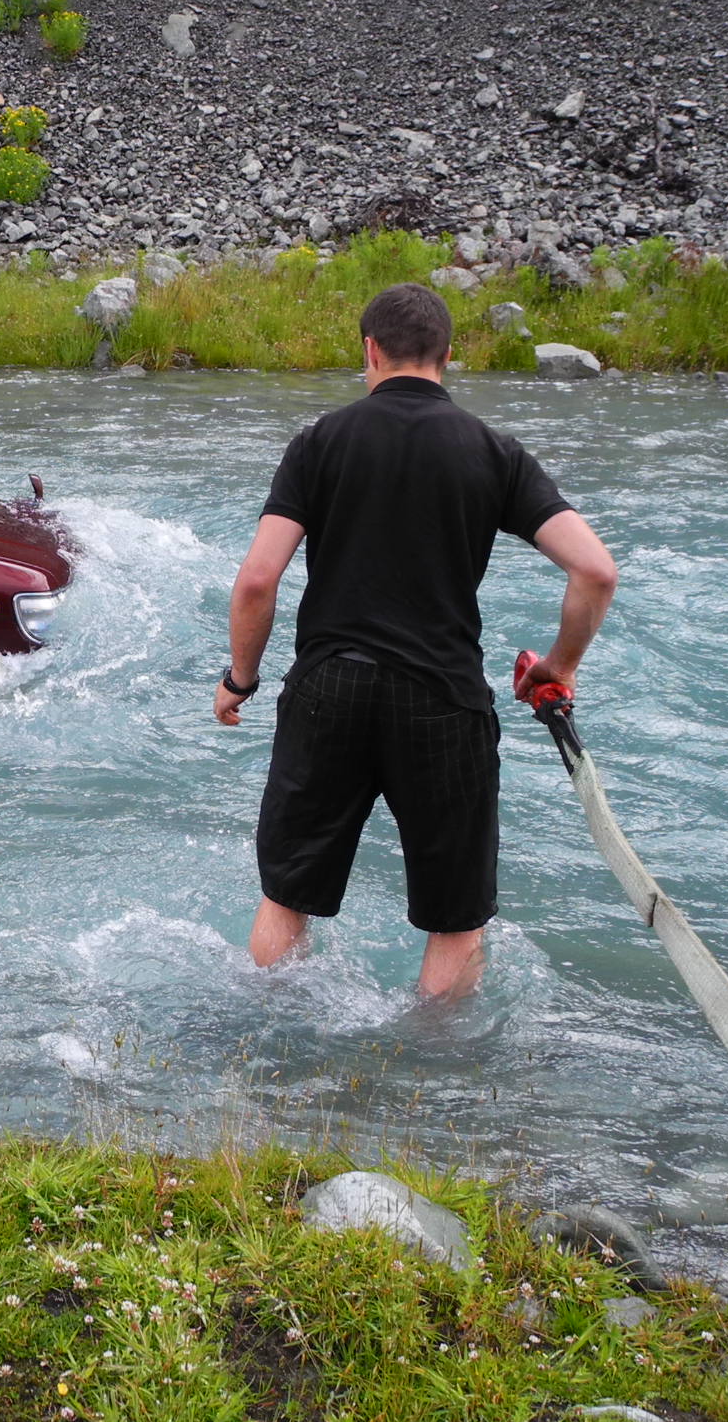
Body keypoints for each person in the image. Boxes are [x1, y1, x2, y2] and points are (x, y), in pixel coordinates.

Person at [213, 282, 619, 1000]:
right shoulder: (494, 452)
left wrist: (240, 679)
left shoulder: (319, 442)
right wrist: (559, 667)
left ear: (369, 350)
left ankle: (268, 1061)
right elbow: (595, 570)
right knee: (454, 920)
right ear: (448, 356)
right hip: (441, 698)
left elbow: (255, 582)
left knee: (287, 897)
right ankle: (434, 1088)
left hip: (328, 691)